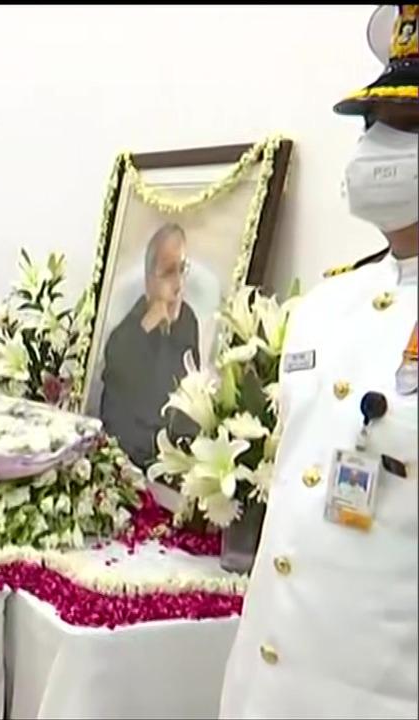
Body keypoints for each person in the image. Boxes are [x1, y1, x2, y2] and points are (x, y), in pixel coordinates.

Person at [219, 5, 418, 717]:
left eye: (409, 129)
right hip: (270, 686)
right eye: (374, 126)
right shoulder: (326, 305)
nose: (377, 148)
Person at [98, 223, 201, 468]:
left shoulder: (188, 320)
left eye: (182, 269)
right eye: (168, 273)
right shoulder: (131, 328)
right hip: (131, 456)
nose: (178, 285)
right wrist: (148, 326)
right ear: (148, 281)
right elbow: (117, 366)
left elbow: (191, 389)